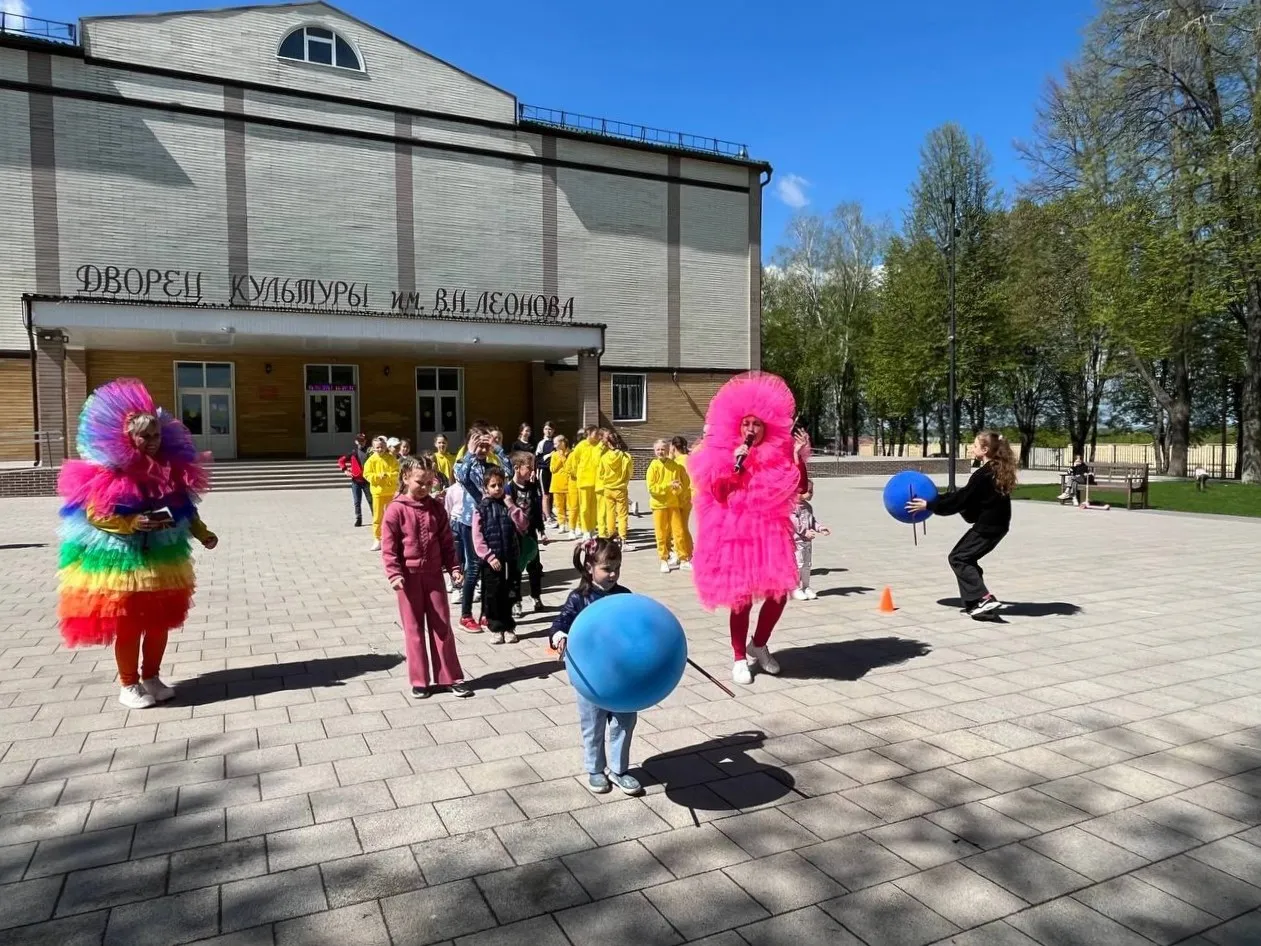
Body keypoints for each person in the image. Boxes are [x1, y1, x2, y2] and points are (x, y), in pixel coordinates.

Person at [56, 378, 218, 709]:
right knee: (129, 624)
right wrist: (130, 522)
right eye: (145, 435)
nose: (152, 441)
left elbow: (183, 509)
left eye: (156, 434)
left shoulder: (169, 469)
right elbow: (94, 514)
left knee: (159, 621)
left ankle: (152, 677)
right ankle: (128, 684)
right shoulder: (111, 473)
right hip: (124, 558)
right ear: (129, 436)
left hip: (162, 556)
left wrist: (203, 534)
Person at [690, 372, 810, 685]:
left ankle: (758, 645)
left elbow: (801, 488)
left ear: (766, 426)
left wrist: (798, 458)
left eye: (757, 424)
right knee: (740, 598)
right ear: (738, 425)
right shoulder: (723, 451)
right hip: (736, 532)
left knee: (779, 595)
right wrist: (734, 463)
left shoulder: (778, 454)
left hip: (769, 532)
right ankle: (738, 657)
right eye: (747, 424)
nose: (751, 430)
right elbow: (718, 493)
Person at [549, 539, 642, 796]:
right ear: (590, 567)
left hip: (622, 674)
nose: (613, 574)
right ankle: (595, 769)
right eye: (606, 568)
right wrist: (560, 637)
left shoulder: (625, 596)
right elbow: (560, 623)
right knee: (593, 722)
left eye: (617, 568)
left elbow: (636, 628)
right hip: (589, 676)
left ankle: (620, 769)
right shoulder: (579, 597)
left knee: (625, 720)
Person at [381, 455, 472, 699]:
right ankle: (420, 680)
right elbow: (389, 549)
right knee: (414, 630)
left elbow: (446, 543)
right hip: (408, 579)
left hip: (433, 576)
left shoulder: (436, 508)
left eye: (429, 483)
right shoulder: (395, 510)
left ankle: (450, 676)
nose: (425, 488)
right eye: (420, 482)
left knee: (442, 626)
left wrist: (454, 568)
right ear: (405, 478)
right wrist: (394, 574)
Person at [907, 430, 1016, 618]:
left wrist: (930, 505)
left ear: (985, 449)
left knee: (958, 558)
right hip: (998, 526)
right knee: (967, 558)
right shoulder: (997, 470)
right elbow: (967, 497)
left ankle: (983, 598)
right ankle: (977, 604)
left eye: (974, 445)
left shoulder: (984, 474)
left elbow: (962, 499)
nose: (971, 448)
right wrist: (940, 500)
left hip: (987, 528)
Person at [471, 467, 526, 643]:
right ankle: (496, 628)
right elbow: (477, 537)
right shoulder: (481, 508)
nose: (497, 488)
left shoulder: (508, 505)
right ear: (486, 487)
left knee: (510, 594)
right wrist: (489, 557)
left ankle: (509, 626)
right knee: (493, 595)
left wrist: (511, 506)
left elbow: (523, 524)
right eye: (493, 485)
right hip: (492, 561)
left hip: (510, 558)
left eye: (500, 485)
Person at [453, 426, 496, 631]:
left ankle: (487, 612)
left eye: (483, 443)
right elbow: (461, 476)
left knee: (488, 567)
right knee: (473, 568)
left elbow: (509, 473)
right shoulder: (462, 463)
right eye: (477, 442)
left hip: (490, 520)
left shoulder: (489, 465)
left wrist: (496, 449)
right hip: (469, 521)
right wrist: (470, 452)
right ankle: (466, 615)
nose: (481, 448)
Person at [506, 450, 546, 615]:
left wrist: (541, 530)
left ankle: (536, 596)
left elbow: (536, 510)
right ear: (517, 468)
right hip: (515, 537)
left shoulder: (532, 487)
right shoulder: (509, 489)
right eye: (528, 468)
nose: (532, 471)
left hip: (531, 534)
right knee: (516, 570)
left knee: (535, 567)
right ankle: (516, 601)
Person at [646, 439, 687, 573]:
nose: (660, 452)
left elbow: (680, 487)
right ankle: (663, 559)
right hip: (658, 505)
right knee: (661, 533)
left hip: (672, 503)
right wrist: (668, 486)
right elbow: (652, 488)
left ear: (668, 449)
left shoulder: (674, 466)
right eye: (658, 449)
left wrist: (676, 488)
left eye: (663, 449)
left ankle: (683, 558)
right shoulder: (653, 466)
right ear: (654, 451)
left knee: (678, 531)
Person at [791, 479, 830, 600]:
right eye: (809, 491)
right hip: (796, 541)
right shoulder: (792, 507)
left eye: (812, 491)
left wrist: (820, 528)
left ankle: (806, 587)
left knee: (807, 565)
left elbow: (812, 521)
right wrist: (805, 532)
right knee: (798, 564)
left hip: (807, 542)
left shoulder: (808, 507)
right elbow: (794, 522)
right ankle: (796, 588)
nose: (811, 494)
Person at [363, 436, 400, 552]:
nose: (380, 449)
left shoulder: (391, 459)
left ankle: (392, 538)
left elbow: (397, 471)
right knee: (378, 517)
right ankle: (378, 538)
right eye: (377, 447)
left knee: (392, 516)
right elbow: (367, 474)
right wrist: (377, 477)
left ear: (386, 447)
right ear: (373, 448)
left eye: (382, 447)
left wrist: (388, 475)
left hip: (390, 491)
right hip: (378, 492)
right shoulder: (371, 460)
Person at [598, 430, 633, 543]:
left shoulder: (604, 457)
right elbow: (630, 473)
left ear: (608, 443)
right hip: (620, 488)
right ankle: (622, 538)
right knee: (622, 515)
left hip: (608, 488)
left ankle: (612, 537)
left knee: (610, 514)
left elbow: (600, 474)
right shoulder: (625, 457)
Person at [668, 435, 695, 567]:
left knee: (678, 528)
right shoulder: (690, 459)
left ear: (673, 447)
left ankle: (682, 553)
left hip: (679, 498)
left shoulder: (677, 462)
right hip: (689, 497)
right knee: (683, 527)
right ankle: (688, 552)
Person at [575, 426, 605, 540]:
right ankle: (585, 529)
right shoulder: (581, 446)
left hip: (596, 481)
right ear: (588, 433)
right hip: (583, 482)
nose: (598, 435)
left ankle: (592, 528)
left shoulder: (599, 445)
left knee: (594, 508)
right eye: (596, 433)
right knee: (584, 508)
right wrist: (577, 474)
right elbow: (573, 461)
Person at [338, 432, 371, 527]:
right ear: (356, 442)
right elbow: (341, 460)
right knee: (357, 501)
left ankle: (375, 517)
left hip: (367, 480)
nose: (361, 443)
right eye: (359, 441)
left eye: (363, 441)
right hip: (356, 481)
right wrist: (345, 470)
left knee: (371, 500)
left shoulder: (369, 453)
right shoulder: (353, 453)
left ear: (366, 441)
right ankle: (358, 518)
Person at [549, 435, 572, 537]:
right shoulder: (554, 455)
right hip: (557, 484)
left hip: (568, 484)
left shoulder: (571, 453)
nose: (554, 445)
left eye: (556, 443)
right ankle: (561, 524)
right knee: (559, 507)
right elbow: (552, 469)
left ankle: (572, 525)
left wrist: (565, 457)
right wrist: (560, 458)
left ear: (562, 442)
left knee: (570, 507)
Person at [535, 421, 557, 523]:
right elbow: (538, 459)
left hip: (554, 471)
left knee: (552, 493)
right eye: (546, 429)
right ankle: (547, 516)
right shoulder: (541, 443)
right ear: (543, 430)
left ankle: (550, 512)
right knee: (545, 494)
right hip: (543, 470)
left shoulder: (555, 442)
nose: (548, 431)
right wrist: (549, 455)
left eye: (550, 429)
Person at [565, 429, 584, 536]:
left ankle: (580, 526)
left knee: (583, 506)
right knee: (574, 507)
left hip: (583, 483)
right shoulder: (573, 454)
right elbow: (568, 468)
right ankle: (572, 528)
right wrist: (577, 474)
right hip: (574, 483)